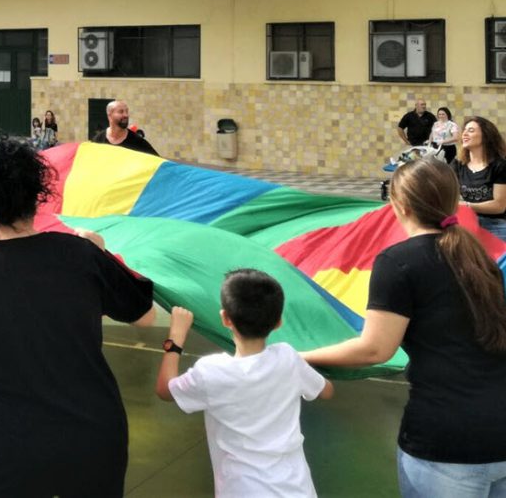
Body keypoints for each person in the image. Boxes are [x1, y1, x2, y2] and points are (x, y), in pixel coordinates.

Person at [0, 137, 156, 496]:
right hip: (93, 440)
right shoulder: (81, 254)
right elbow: (145, 317)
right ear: (37, 195)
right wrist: (101, 253)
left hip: (8, 451)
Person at [302, 157, 506, 497]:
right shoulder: (479, 259)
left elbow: (375, 348)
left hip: (446, 445)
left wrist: (300, 354)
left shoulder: (398, 262)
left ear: (398, 205)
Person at [156, 272, 333, 497]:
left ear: (225, 318)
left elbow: (165, 389)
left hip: (240, 490)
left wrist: (176, 338)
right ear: (278, 322)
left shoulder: (210, 371)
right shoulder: (288, 358)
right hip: (295, 489)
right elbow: (326, 391)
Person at [454, 116, 506, 241]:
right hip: (468, 221)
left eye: (471, 130)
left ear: (486, 136)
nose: (464, 134)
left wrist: (465, 205)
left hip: (496, 224)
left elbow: (499, 206)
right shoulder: (457, 165)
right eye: (464, 130)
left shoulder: (500, 165)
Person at [94, 100, 159, 155]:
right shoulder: (98, 140)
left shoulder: (138, 142)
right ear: (110, 115)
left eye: (126, 111)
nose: (126, 115)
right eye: (121, 111)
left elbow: (158, 163)